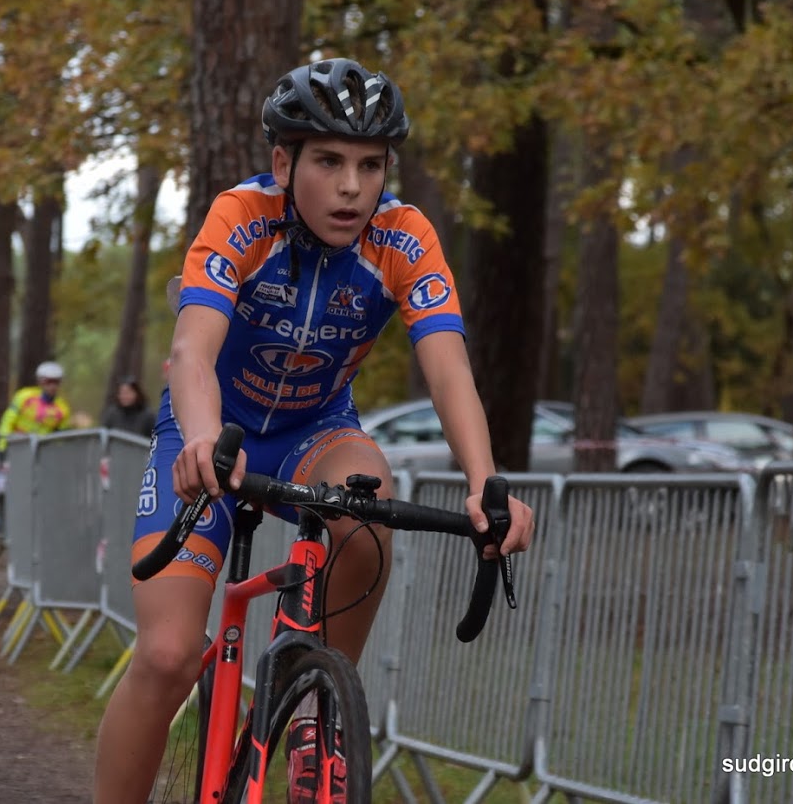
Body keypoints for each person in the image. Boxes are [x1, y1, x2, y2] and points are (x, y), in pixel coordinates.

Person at [93, 57, 536, 803]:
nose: (352, 186)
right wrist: (202, 439)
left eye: (370, 165)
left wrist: (486, 484)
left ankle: (315, 711)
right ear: (282, 160)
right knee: (169, 654)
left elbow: (449, 369)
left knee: (368, 505)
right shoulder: (242, 216)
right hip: (212, 430)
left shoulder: (403, 236)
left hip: (316, 429)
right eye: (329, 161)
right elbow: (190, 351)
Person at [0, 361, 73, 448]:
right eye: (48, 381)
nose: (52, 386)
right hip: (17, 446)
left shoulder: (63, 407)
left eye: (56, 382)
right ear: (40, 381)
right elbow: (7, 421)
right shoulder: (24, 396)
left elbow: (61, 436)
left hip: (43, 451)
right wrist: (1, 448)